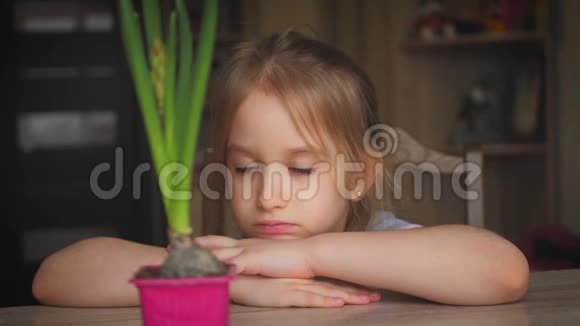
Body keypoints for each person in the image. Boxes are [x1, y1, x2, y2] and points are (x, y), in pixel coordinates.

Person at [32, 30, 529, 308]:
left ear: (359, 176)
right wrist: (235, 284)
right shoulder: (231, 259)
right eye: (246, 168)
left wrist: (310, 256)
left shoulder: (386, 240)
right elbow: (56, 278)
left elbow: (503, 272)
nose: (270, 196)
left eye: (302, 170)